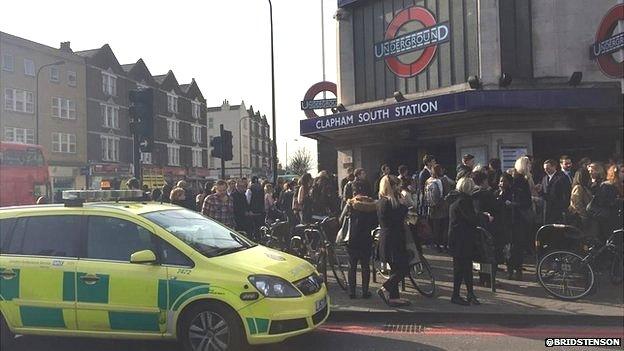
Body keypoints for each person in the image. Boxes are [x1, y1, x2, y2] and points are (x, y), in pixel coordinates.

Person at [448, 177, 492, 306]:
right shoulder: (464, 201)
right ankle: (458, 295)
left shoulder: (456, 199)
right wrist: (484, 216)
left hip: (457, 238)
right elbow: (471, 218)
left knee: (464, 268)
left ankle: (469, 293)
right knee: (462, 269)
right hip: (462, 239)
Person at [339, 179, 378, 299]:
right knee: (366, 266)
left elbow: (341, 219)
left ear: (354, 190)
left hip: (352, 238)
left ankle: (352, 291)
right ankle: (365, 291)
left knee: (352, 265)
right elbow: (375, 223)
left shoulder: (351, 203)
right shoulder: (372, 205)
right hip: (366, 238)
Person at [376, 175, 410, 307]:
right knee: (404, 268)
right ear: (390, 186)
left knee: (395, 269)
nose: (398, 187)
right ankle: (385, 288)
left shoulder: (382, 201)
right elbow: (398, 216)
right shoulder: (388, 203)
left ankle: (394, 297)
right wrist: (403, 205)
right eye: (396, 185)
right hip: (393, 240)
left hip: (388, 239)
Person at [506, 157, 533, 281]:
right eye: (528, 165)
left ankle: (511, 270)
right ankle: (516, 270)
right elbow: (526, 201)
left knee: (512, 245)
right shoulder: (521, 181)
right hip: (518, 217)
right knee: (518, 245)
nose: (530, 167)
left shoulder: (513, 179)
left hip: (512, 217)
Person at [589, 164, 622, 241]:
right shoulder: (607, 185)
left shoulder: (620, 185)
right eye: (622, 172)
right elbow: (601, 202)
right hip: (608, 219)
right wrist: (617, 201)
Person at [538, 159, 571, 224]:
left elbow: (566, 194)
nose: (546, 170)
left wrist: (564, 209)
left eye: (548, 168)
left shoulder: (562, 178)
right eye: (544, 169)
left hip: (557, 210)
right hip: (546, 210)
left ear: (554, 167)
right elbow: (544, 193)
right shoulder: (544, 178)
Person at [425, 165, 447, 252]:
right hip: (442, 207)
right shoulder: (442, 180)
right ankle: (444, 245)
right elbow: (446, 193)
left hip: (432, 208)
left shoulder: (428, 181)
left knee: (435, 228)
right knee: (444, 227)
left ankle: (436, 245)